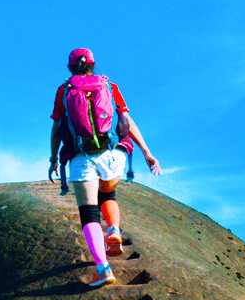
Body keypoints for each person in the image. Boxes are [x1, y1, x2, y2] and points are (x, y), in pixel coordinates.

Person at [48, 48, 161, 287]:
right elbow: (126, 121)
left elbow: (57, 129)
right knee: (108, 194)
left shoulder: (64, 91)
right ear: (92, 65)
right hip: (113, 154)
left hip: (82, 156)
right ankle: (113, 230)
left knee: (88, 213)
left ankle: (103, 269)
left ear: (70, 68)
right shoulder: (109, 86)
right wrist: (147, 152)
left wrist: (53, 159)